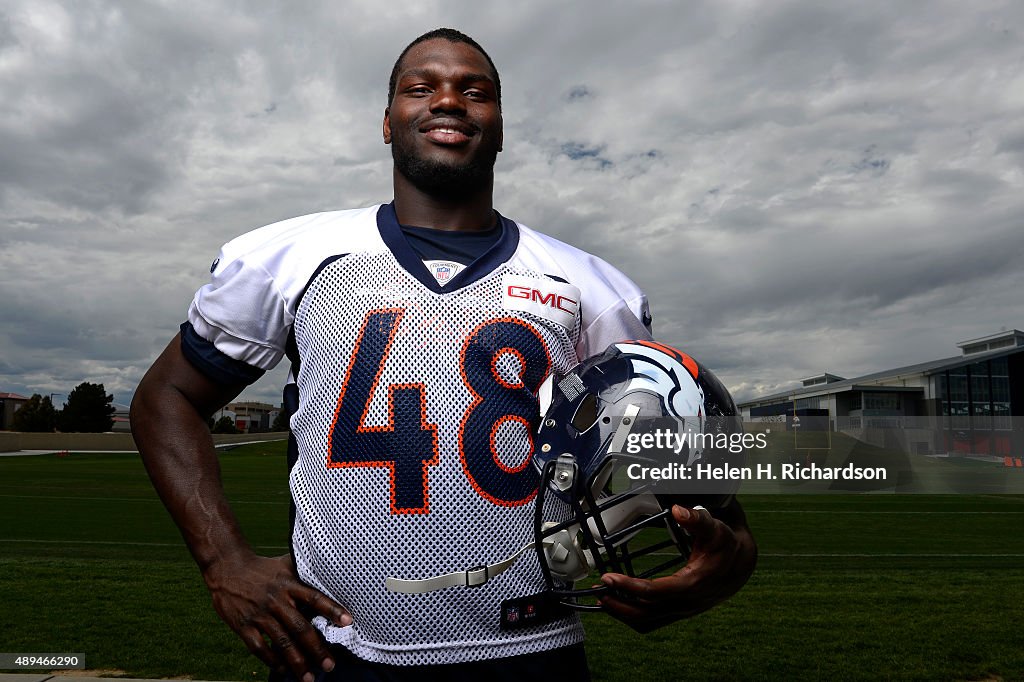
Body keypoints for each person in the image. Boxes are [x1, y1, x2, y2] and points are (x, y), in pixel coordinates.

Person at [131, 28, 757, 682]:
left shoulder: (591, 289)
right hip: (335, 655)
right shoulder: (289, 260)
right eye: (421, 87)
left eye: (475, 91)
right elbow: (167, 397)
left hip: (532, 653)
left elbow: (698, 482)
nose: (449, 101)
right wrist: (223, 559)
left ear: (501, 126)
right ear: (387, 120)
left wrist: (722, 566)